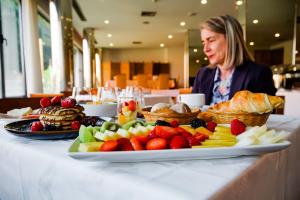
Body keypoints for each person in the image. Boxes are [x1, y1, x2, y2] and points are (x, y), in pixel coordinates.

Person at [192, 15, 277, 105]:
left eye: (211, 40)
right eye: (203, 43)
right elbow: (192, 112)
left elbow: (264, 116)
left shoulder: (258, 74)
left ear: (231, 39)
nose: (205, 49)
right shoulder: (202, 74)